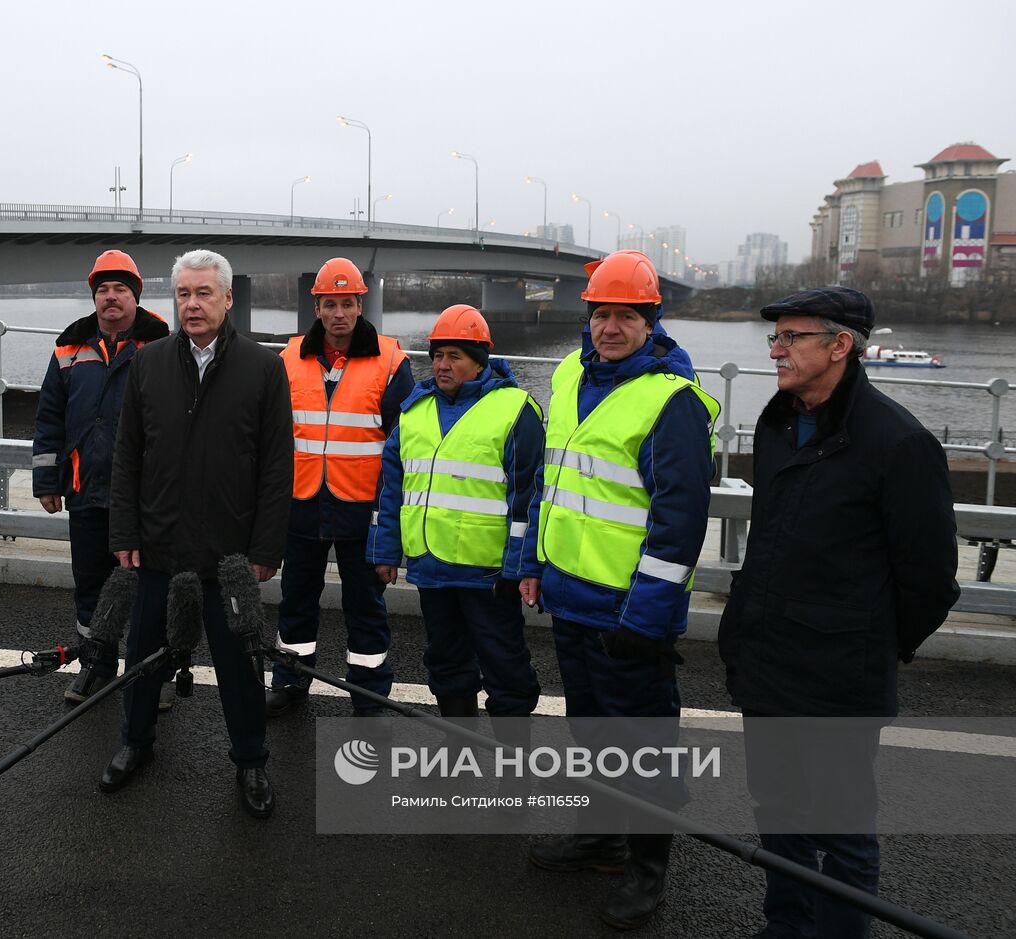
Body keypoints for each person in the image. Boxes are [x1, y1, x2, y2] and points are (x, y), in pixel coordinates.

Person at [718, 287, 959, 939]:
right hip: (768, 667)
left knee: (842, 834)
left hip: (839, 681)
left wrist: (873, 644)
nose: (776, 350)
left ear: (839, 345)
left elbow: (931, 579)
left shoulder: (897, 443)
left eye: (791, 337)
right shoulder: (777, 424)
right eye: (775, 338)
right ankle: (786, 928)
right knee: (778, 815)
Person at [524, 249, 719, 931]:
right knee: (594, 732)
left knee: (643, 745)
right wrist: (534, 561)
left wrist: (647, 616)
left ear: (650, 320)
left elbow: (679, 522)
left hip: (628, 612)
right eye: (601, 313)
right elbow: (553, 482)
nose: (610, 326)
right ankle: (602, 838)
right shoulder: (572, 373)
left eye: (625, 316)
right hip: (571, 595)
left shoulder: (673, 401)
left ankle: (647, 870)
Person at [104, 248, 293, 819]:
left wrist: (264, 549)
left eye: (204, 293)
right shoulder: (149, 363)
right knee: (144, 653)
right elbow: (127, 456)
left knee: (239, 663)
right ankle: (135, 744)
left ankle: (251, 760)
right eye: (183, 293)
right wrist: (124, 530)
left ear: (228, 299)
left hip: (228, 555)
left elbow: (276, 467)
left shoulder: (263, 368)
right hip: (159, 546)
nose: (192, 304)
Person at [367, 304, 544, 722]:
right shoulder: (415, 411)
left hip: (488, 574)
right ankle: (458, 749)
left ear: (478, 361)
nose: (442, 366)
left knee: (505, 667)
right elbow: (392, 488)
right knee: (446, 663)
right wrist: (385, 551)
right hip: (431, 566)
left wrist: (518, 566)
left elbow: (528, 497)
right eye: (438, 355)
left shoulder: (516, 410)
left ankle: (512, 763)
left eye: (455, 357)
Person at [268, 258, 414, 718]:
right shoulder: (288, 359)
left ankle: (369, 691)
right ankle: (292, 681)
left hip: (362, 510)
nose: (339, 314)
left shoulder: (391, 361)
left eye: (347, 304)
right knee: (296, 599)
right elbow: (270, 436)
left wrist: (391, 519)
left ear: (359, 305)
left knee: (365, 607)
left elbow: (404, 446)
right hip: (302, 503)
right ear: (317, 307)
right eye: (330, 304)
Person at [32, 249, 170, 703]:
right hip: (86, 489)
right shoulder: (69, 348)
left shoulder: (163, 346)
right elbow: (50, 418)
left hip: (146, 496)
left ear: (136, 297)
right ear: (95, 297)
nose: (111, 298)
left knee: (152, 586)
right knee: (90, 584)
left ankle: (156, 673)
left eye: (121, 290)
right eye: (103, 290)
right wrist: (47, 481)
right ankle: (97, 666)